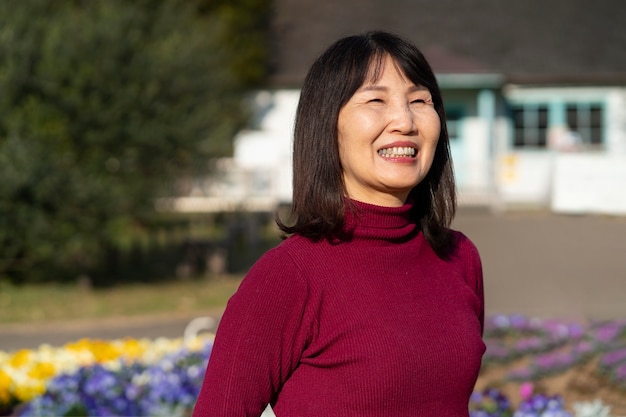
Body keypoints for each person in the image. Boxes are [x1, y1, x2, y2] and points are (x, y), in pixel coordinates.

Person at [192, 30, 485, 416]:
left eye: (419, 100)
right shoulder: (288, 276)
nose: (405, 121)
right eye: (376, 100)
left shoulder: (459, 257)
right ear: (328, 125)